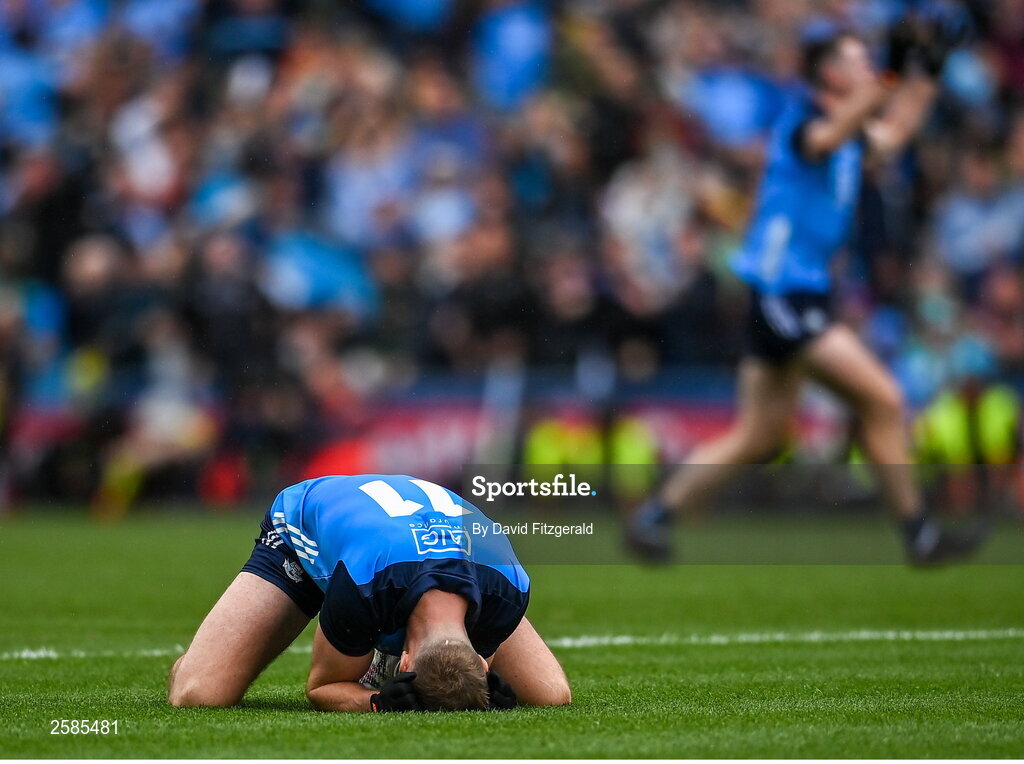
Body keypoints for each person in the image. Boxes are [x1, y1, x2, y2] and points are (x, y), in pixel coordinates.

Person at [627, 23, 987, 566]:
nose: (866, 67)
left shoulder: (848, 128)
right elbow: (835, 133)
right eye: (856, 59)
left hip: (791, 295)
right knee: (883, 399)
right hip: (785, 295)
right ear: (829, 74)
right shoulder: (804, 120)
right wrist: (892, 73)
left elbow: (894, 133)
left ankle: (655, 516)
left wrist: (925, 74)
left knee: (761, 435)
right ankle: (920, 533)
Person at [168, 474, 571, 712]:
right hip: (308, 528)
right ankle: (200, 657)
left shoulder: (509, 589)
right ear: (407, 658)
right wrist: (376, 701)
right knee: (200, 694)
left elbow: (510, 677)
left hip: (433, 548)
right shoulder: (361, 588)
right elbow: (322, 687)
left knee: (550, 696)